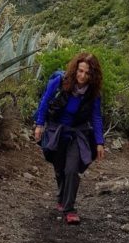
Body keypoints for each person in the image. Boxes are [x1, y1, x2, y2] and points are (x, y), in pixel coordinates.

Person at [34, 52, 105, 224]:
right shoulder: (60, 82)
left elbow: (96, 117)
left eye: (87, 73)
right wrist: (39, 124)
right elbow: (45, 101)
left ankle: (69, 209)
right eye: (80, 71)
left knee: (72, 170)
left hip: (77, 132)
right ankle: (61, 197)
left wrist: (99, 142)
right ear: (75, 69)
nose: (82, 76)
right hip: (56, 130)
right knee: (59, 168)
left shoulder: (93, 94)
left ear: (92, 75)